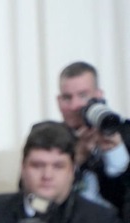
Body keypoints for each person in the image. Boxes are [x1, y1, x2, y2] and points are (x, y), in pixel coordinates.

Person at [56, 60, 130, 212]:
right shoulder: (48, 137)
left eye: (83, 95)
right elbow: (32, 195)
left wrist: (115, 153)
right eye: (67, 98)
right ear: (58, 101)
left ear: (99, 96)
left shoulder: (125, 133)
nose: (75, 105)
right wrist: (78, 157)